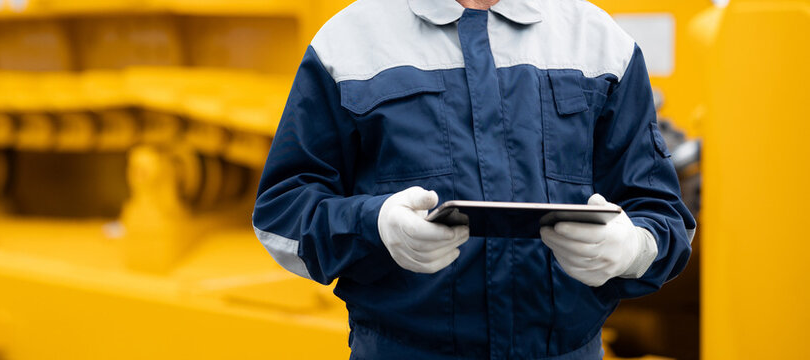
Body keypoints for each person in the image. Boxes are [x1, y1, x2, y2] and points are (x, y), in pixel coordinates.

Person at [252, 0, 696, 358]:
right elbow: (281, 212)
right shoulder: (347, 45)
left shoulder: (600, 44)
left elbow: (660, 212)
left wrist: (632, 247)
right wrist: (375, 226)